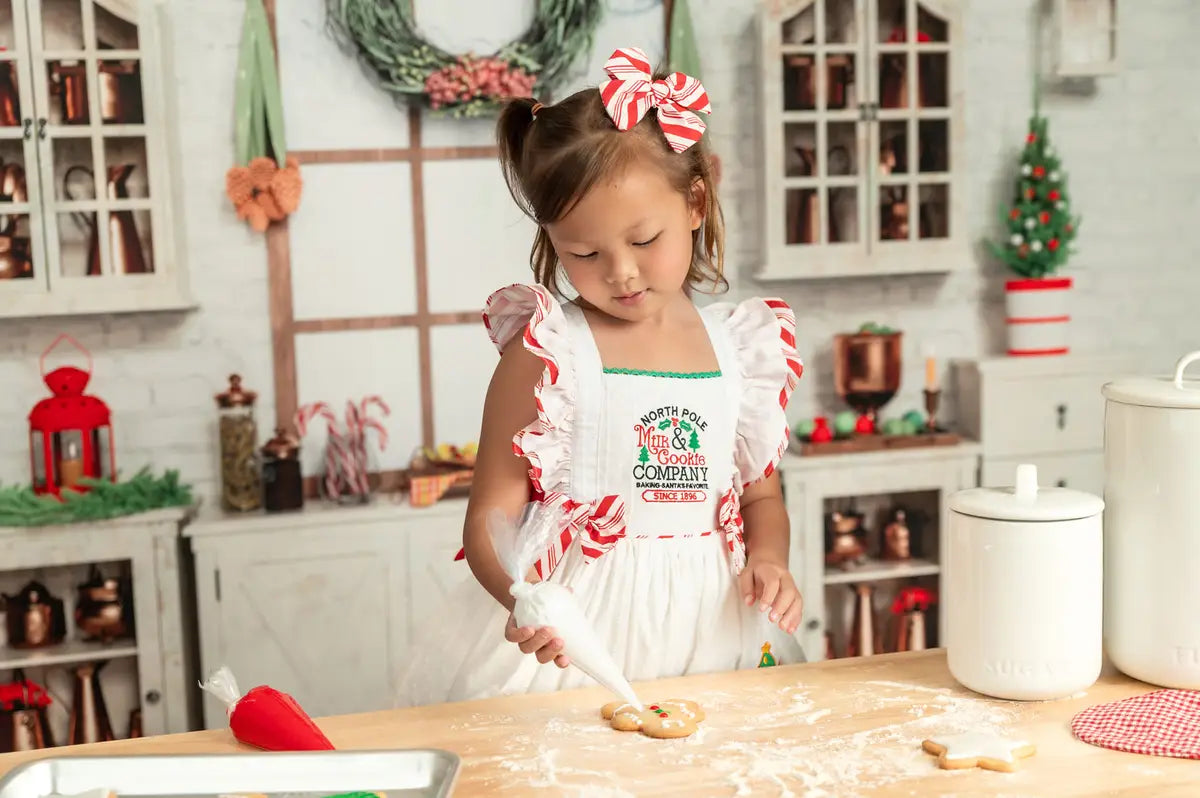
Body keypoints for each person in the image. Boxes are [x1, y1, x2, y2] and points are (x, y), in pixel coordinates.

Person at [397, 46, 805, 707]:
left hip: (712, 637)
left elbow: (760, 500)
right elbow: (487, 519)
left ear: (696, 204)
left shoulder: (738, 353)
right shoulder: (549, 354)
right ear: (552, 238)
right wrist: (522, 597)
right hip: (576, 649)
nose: (620, 271)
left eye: (645, 241)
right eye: (583, 252)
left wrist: (770, 560)